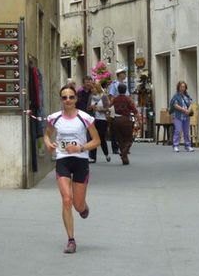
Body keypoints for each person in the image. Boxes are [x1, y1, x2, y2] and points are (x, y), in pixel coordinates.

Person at [44, 84, 101, 254]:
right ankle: (71, 240)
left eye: (71, 97)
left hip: (81, 161)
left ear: (75, 99)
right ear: (61, 100)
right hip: (63, 160)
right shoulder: (54, 118)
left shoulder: (85, 118)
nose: (67, 100)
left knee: (77, 204)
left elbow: (96, 141)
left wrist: (80, 148)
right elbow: (46, 135)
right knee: (66, 199)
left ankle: (83, 207)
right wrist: (49, 144)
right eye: (64, 97)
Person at [111, 83, 139, 165]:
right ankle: (123, 153)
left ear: (118, 90)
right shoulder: (128, 99)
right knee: (129, 139)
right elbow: (134, 109)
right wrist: (138, 119)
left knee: (120, 140)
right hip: (125, 120)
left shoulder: (114, 99)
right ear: (125, 90)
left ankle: (125, 159)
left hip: (116, 120)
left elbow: (109, 107)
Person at [87, 83, 111, 163]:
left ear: (97, 89)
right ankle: (93, 157)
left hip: (102, 120)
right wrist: (91, 108)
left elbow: (108, 108)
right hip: (93, 120)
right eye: (91, 89)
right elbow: (87, 108)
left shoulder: (103, 97)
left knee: (101, 138)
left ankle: (106, 154)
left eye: (93, 88)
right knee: (93, 138)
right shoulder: (91, 97)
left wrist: (101, 109)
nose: (92, 90)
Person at [168, 80, 194, 152]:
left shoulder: (187, 96)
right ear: (178, 87)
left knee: (186, 131)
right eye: (181, 86)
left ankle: (188, 146)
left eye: (184, 86)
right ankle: (175, 145)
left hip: (186, 116)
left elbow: (191, 103)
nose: (183, 88)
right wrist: (184, 110)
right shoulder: (176, 96)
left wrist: (189, 109)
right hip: (178, 116)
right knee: (178, 130)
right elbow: (175, 105)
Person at [108, 67, 129, 154]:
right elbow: (111, 96)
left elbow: (127, 96)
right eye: (123, 73)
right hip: (116, 108)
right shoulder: (114, 84)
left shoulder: (125, 84)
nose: (125, 74)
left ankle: (123, 147)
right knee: (114, 128)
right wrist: (111, 107)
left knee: (124, 128)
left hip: (124, 108)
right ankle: (115, 147)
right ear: (119, 75)